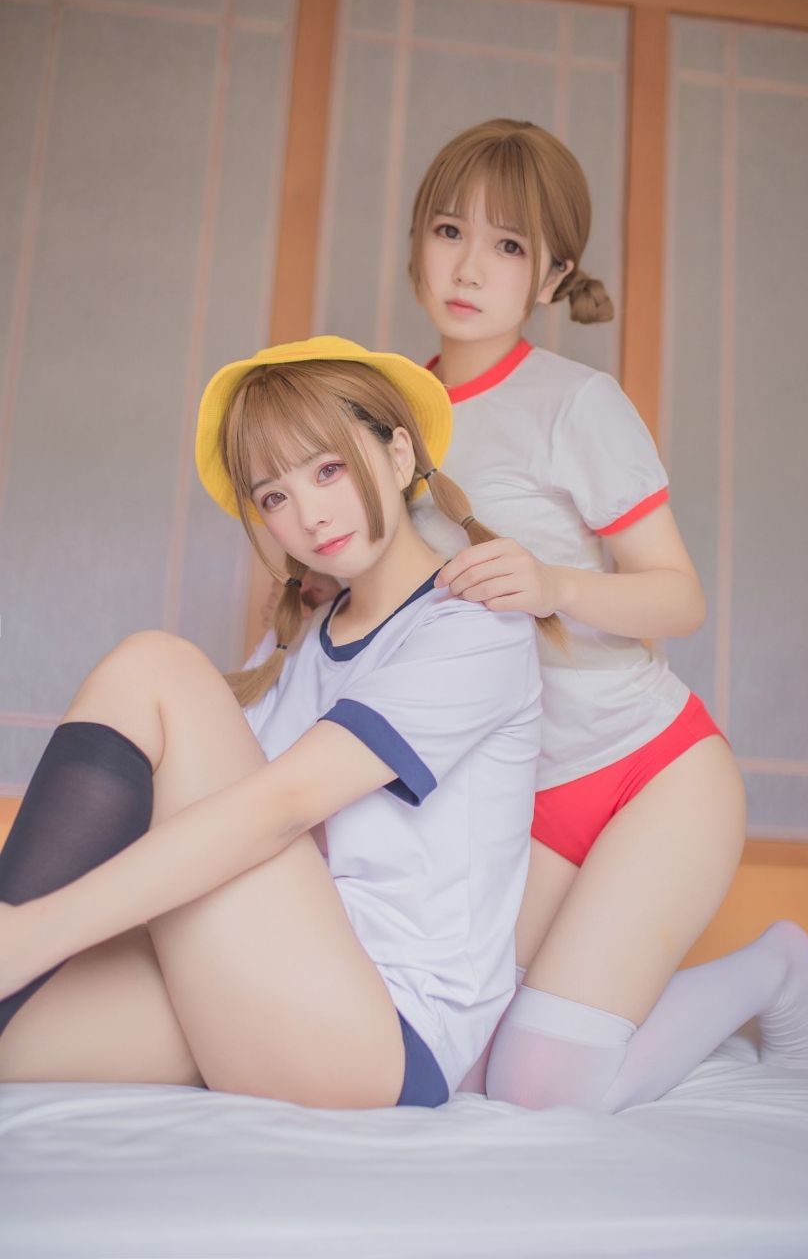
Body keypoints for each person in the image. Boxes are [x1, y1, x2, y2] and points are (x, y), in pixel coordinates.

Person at [402, 118, 808, 1110]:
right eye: (448, 230)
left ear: (552, 275)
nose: (468, 267)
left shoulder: (575, 403)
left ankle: (772, 966)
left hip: (652, 772)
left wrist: (553, 585)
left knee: (542, 1083)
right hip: (520, 796)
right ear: (415, 241)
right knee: (458, 1060)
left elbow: (679, 596)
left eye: (509, 245)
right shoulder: (386, 412)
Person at [0, 336, 544, 1109]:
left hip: (378, 1038)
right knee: (17, 1035)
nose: (309, 515)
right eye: (274, 497)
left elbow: (277, 808)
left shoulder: (474, 627)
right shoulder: (299, 642)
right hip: (270, 989)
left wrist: (35, 933)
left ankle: (16, 930)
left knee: (155, 666)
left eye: (327, 470)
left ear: (398, 457)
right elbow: (202, 824)